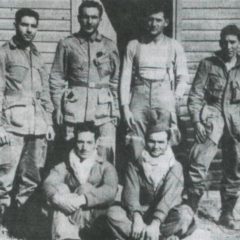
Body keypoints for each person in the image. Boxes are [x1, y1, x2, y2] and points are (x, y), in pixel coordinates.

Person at [0, 8, 54, 223]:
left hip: (37, 126)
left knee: (31, 177)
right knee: (5, 177)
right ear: (15, 25)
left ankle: (20, 223)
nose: (29, 30)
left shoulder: (37, 55)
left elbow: (45, 93)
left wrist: (49, 123)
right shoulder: (4, 53)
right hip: (12, 125)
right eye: (24, 24)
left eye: (33, 26)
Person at [49, 0, 120, 165]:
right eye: (85, 17)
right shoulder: (67, 44)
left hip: (103, 108)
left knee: (105, 149)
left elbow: (115, 80)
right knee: (70, 150)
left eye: (94, 17)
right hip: (75, 107)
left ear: (100, 19)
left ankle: (102, 187)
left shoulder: (109, 46)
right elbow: (57, 77)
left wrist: (115, 109)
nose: (89, 21)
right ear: (79, 18)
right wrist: (58, 107)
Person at [187, 24, 240, 229]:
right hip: (212, 118)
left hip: (236, 121)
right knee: (198, 163)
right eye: (224, 42)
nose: (228, 46)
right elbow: (195, 96)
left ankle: (227, 213)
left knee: (234, 168)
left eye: (233, 42)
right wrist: (197, 122)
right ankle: (190, 209)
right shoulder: (208, 64)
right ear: (219, 43)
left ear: (238, 43)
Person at [107, 120, 196, 240]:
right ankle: (158, 237)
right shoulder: (135, 164)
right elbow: (131, 195)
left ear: (167, 143)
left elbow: (168, 198)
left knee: (185, 215)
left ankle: (146, 236)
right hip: (141, 212)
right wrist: (137, 219)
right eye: (152, 141)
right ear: (145, 141)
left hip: (165, 216)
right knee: (112, 213)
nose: (156, 147)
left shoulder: (175, 166)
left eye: (161, 142)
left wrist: (155, 223)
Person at [120, 3, 189, 146]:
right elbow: (125, 78)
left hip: (164, 96)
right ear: (145, 21)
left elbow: (183, 76)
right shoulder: (133, 45)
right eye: (150, 19)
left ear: (166, 23)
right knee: (135, 139)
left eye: (158, 20)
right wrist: (125, 107)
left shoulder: (174, 46)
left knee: (163, 140)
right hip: (139, 97)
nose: (153, 24)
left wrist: (175, 98)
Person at [43, 122, 118, 240]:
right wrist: (57, 199)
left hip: (94, 218)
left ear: (96, 143)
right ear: (75, 142)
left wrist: (82, 199)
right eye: (80, 142)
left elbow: (110, 190)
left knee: (85, 188)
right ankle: (64, 236)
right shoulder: (67, 164)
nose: (84, 148)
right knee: (60, 189)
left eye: (89, 142)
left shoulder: (105, 166)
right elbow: (48, 183)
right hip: (67, 212)